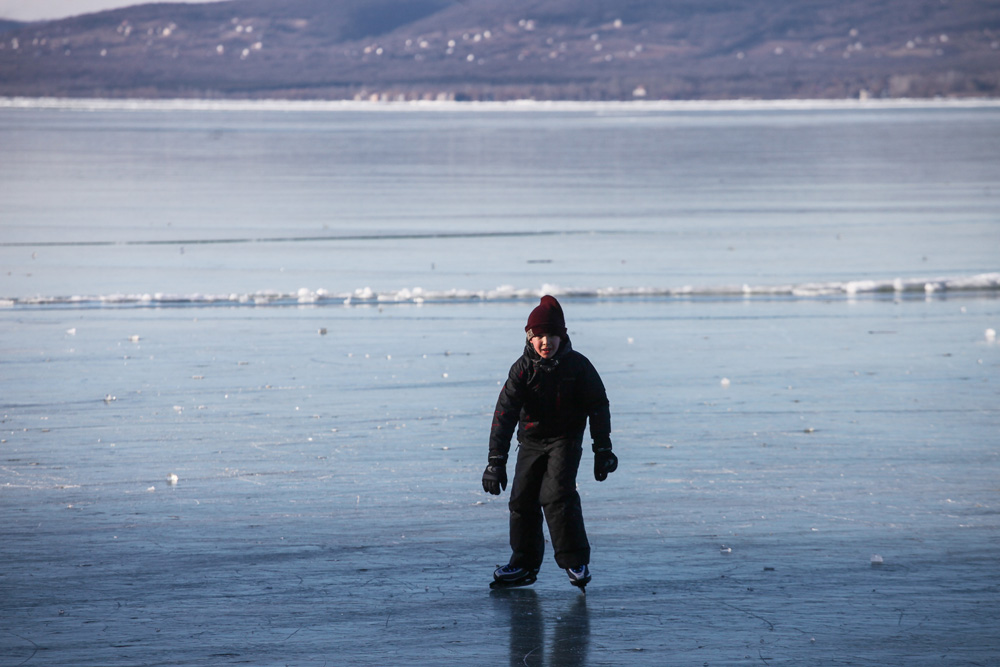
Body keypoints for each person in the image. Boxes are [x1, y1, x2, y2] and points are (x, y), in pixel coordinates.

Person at [483, 295, 618, 589]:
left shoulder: (578, 367)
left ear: (562, 336)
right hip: (530, 441)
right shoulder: (521, 370)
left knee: (556, 495)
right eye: (540, 336)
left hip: (565, 439)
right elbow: (503, 415)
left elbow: (598, 406)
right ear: (530, 339)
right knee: (522, 499)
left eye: (553, 335)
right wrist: (495, 462)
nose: (547, 341)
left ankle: (574, 560)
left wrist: (602, 449)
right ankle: (523, 564)